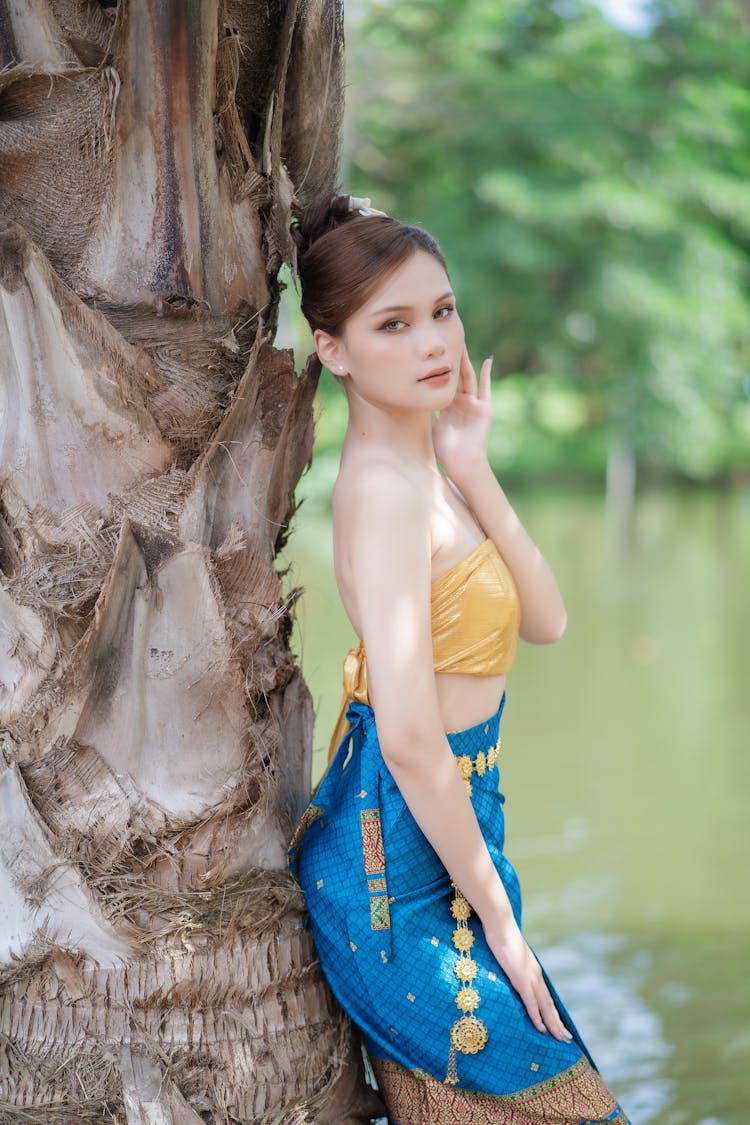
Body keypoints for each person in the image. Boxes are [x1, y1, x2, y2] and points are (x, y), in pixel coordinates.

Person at [288, 194, 630, 1125]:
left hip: (456, 826)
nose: (433, 340)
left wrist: (473, 466)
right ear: (335, 350)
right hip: (395, 858)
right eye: (392, 324)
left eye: (441, 310)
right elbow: (407, 738)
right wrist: (507, 927)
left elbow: (548, 619)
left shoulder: (427, 478)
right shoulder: (383, 494)